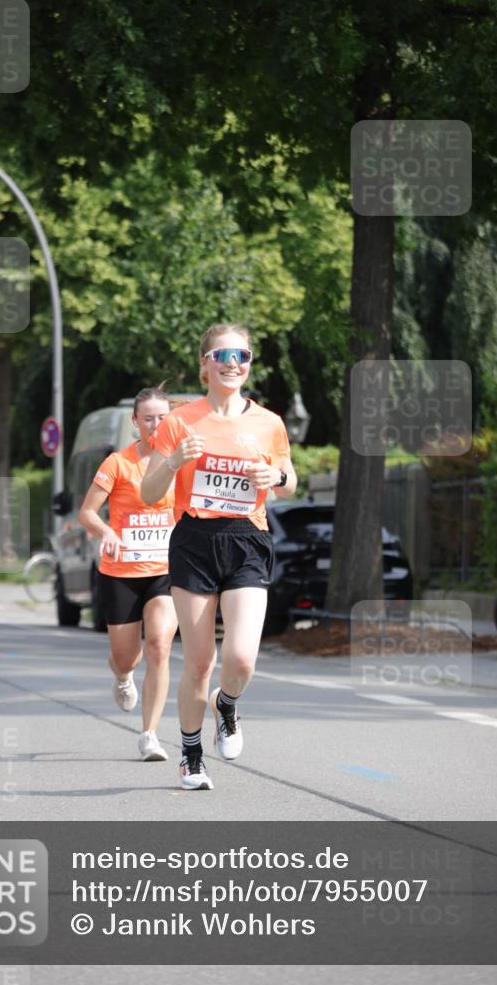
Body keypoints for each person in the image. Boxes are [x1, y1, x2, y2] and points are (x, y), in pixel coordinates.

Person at [141, 324, 297, 790]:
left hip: (247, 537)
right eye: (224, 354)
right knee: (200, 660)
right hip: (195, 540)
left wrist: (273, 475)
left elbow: (290, 481)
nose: (234, 363)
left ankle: (225, 705)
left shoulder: (268, 422)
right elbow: (150, 494)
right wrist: (172, 461)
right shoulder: (178, 421)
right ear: (205, 363)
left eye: (243, 356)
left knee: (243, 657)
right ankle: (191, 755)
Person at [79, 386, 178, 762]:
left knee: (159, 645)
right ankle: (121, 676)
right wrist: (106, 532)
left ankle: (150, 734)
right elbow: (87, 513)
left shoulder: (179, 463)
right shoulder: (118, 463)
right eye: (148, 418)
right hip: (120, 571)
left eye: (163, 417)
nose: (156, 424)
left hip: (164, 571)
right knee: (127, 657)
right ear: (135, 422)